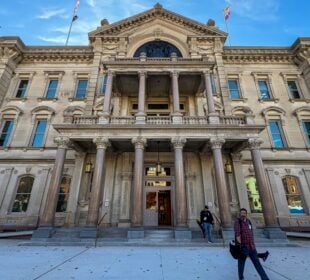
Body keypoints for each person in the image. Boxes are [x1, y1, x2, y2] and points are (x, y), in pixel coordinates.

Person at [234, 208, 269, 280]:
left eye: (244, 213)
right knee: (241, 264)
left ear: (246, 214)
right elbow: (237, 234)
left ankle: (265, 278)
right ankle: (241, 277)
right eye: (242, 213)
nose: (243, 214)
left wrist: (253, 243)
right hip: (243, 246)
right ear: (240, 214)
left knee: (257, 263)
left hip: (251, 246)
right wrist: (240, 246)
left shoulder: (248, 221)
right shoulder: (238, 222)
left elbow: (251, 232)